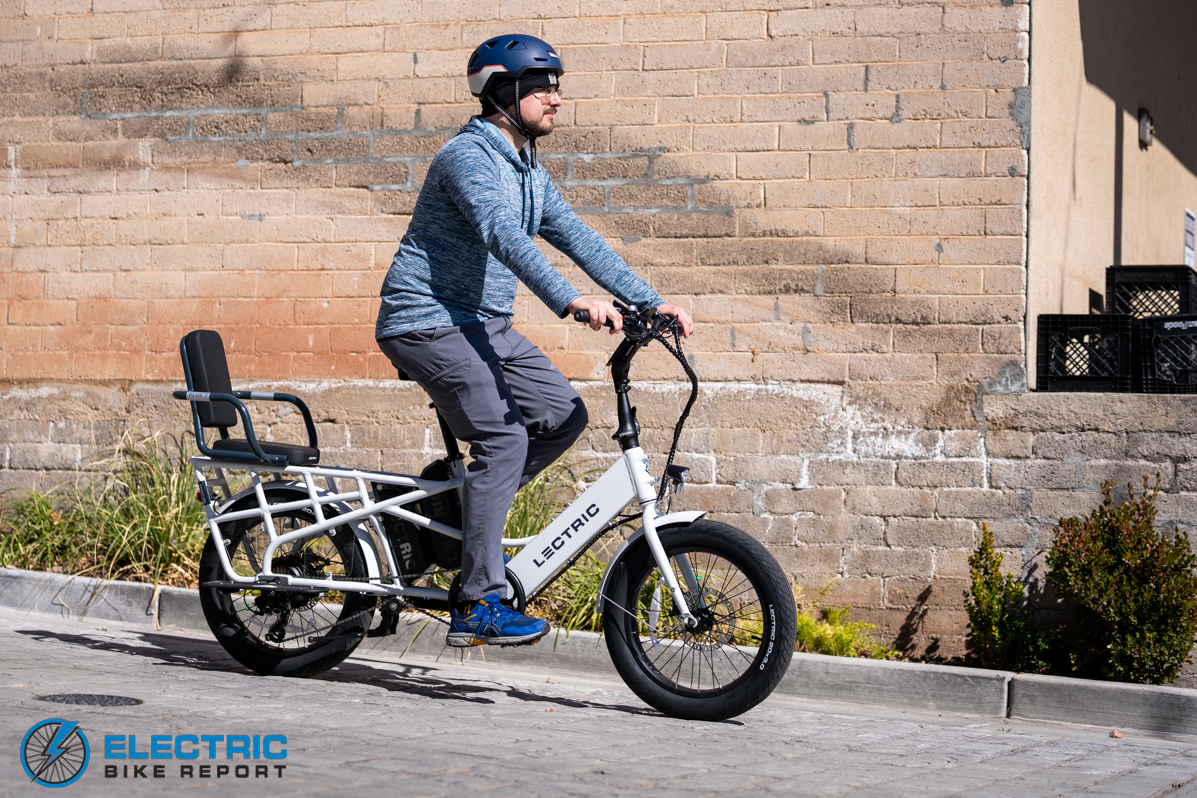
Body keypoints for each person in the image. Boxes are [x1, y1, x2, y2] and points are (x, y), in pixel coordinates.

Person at [374, 34, 693, 648]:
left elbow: (577, 235)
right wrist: (569, 299)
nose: (556, 99)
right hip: (425, 319)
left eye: (557, 86)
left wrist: (649, 301)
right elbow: (502, 235)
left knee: (561, 415)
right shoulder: (469, 157)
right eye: (542, 86)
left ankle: (452, 522)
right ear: (503, 92)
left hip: (482, 323)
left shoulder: (528, 170)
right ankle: (477, 603)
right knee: (502, 435)